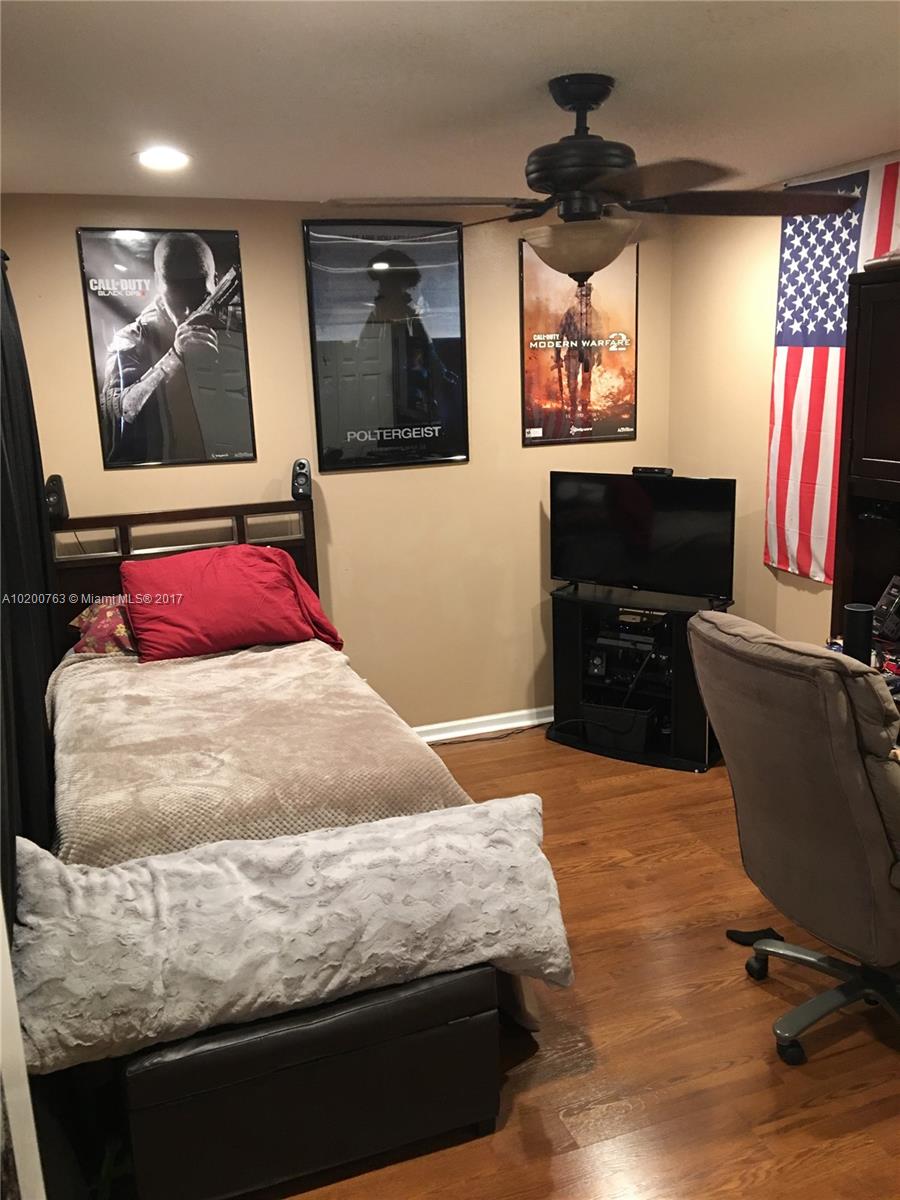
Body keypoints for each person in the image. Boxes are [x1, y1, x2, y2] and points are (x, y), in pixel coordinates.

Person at [99, 232, 220, 465]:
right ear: (158, 283)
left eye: (201, 295)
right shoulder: (132, 338)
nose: (188, 312)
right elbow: (119, 411)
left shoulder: (232, 325)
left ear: (216, 280)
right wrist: (176, 357)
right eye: (177, 294)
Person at [555, 280, 602, 423]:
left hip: (587, 353)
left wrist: (599, 353)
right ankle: (573, 407)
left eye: (588, 295)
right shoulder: (570, 313)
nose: (586, 298)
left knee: (586, 381)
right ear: (578, 296)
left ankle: (585, 408)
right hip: (573, 353)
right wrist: (557, 354)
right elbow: (560, 333)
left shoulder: (594, 314)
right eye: (583, 295)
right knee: (572, 381)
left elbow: (599, 334)